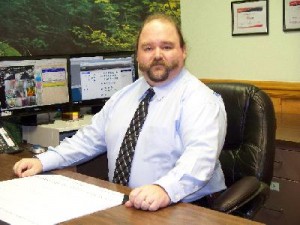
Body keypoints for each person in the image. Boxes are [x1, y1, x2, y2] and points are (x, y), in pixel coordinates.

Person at [13, 13, 227, 211]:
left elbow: (200, 158)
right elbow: (88, 139)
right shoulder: (123, 96)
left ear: (183, 50)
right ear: (137, 55)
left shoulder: (200, 100)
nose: (158, 55)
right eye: (148, 48)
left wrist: (164, 189)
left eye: (167, 46)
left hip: (185, 205)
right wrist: (44, 161)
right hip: (126, 203)